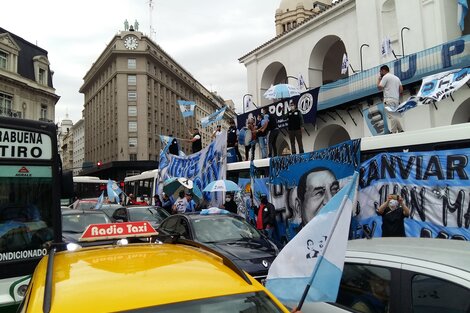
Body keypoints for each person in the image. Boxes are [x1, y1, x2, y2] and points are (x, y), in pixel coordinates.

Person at [377, 65, 404, 133]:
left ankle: (393, 131)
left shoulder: (385, 77)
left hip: (389, 99)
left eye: (380, 71)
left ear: (383, 70)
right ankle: (400, 130)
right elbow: (401, 89)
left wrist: (379, 80)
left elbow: (379, 87)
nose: (380, 73)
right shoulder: (396, 78)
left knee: (391, 116)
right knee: (394, 115)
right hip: (396, 99)